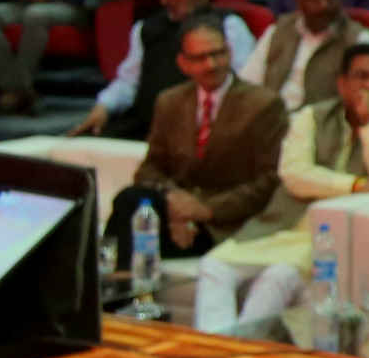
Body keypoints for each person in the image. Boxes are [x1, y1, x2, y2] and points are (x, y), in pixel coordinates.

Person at [194, 44, 369, 339]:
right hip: (278, 227)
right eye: (361, 76)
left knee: (278, 276)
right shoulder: (311, 117)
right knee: (214, 266)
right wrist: (356, 185)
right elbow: (294, 174)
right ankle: (214, 344)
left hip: (323, 240)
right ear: (341, 82)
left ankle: (239, 350)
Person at [107, 18, 291, 298]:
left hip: (222, 222)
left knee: (128, 223)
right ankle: (130, 299)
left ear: (229, 53)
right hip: (176, 218)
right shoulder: (169, 101)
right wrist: (175, 203)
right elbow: (150, 169)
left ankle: (123, 302)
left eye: (217, 54)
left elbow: (268, 182)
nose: (211, 64)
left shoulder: (264, 105)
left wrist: (205, 210)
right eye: (200, 57)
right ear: (184, 63)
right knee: (131, 201)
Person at [73, 0, 250, 141]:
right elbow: (128, 83)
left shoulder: (230, 25)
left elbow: (246, 82)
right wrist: (103, 107)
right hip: (147, 125)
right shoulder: (145, 29)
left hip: (203, 128)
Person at [245, 0, 369, 113]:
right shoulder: (277, 31)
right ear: (299, 0)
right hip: (272, 121)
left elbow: (363, 102)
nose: (323, 5)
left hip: (322, 127)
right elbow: (249, 84)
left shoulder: (360, 41)